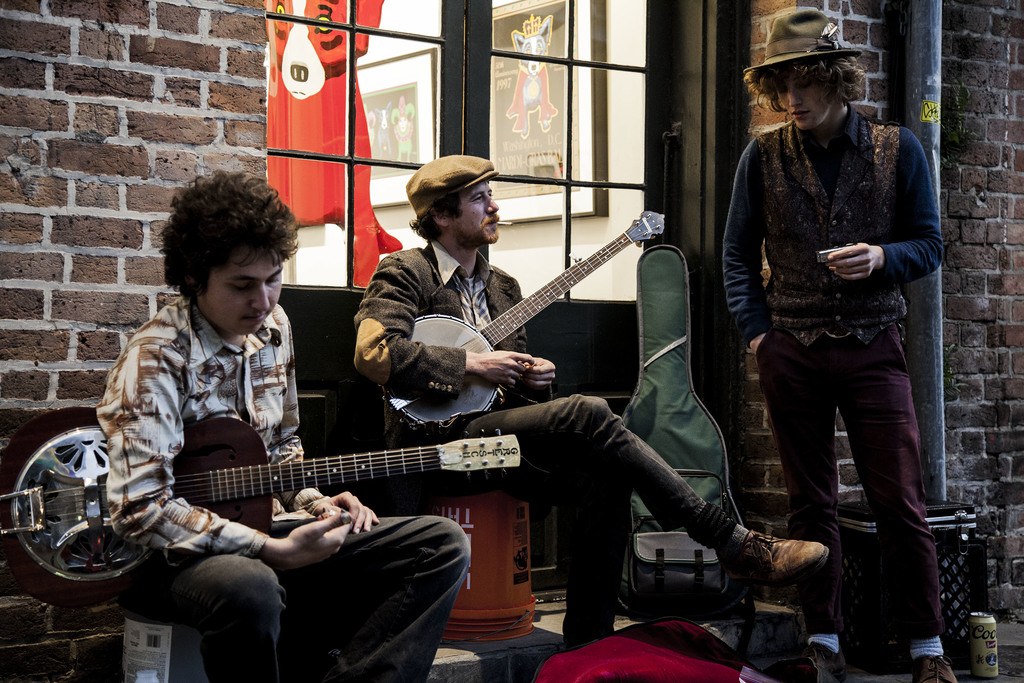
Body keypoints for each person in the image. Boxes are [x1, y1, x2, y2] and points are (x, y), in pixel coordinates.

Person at [352, 154, 830, 648]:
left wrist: (534, 381)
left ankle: (588, 643)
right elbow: (373, 354)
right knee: (588, 411)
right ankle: (730, 540)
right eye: (479, 199)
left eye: (490, 196)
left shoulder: (503, 287)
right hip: (439, 449)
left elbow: (504, 387)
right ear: (442, 216)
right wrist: (473, 365)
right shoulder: (405, 272)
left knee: (607, 473)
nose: (494, 207)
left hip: (497, 447)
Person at [96, 171, 470, 683]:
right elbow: (139, 510)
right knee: (251, 584)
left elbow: (281, 449)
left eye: (274, 279)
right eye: (242, 285)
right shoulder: (156, 358)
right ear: (193, 277)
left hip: (267, 522)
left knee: (441, 543)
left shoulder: (275, 329)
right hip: (169, 558)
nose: (264, 300)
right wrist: (271, 551)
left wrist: (316, 503)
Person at [722, 8, 952, 683]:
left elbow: (931, 243)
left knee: (899, 500)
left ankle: (927, 649)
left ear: (837, 79)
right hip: (790, 347)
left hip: (873, 344)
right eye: (782, 86)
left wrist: (883, 256)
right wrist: (759, 334)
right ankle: (823, 639)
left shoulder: (896, 147)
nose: (793, 99)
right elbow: (738, 255)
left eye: (807, 83)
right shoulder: (761, 156)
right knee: (810, 503)